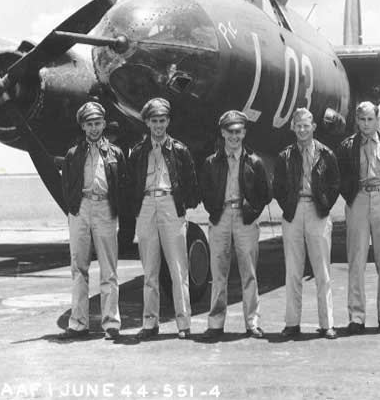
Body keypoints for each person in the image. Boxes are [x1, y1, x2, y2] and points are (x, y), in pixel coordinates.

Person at [128, 98, 200, 340]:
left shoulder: (180, 150)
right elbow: (131, 183)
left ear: (168, 121)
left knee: (178, 268)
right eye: (154, 121)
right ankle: (150, 323)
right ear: (147, 122)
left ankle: (184, 322)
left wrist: (181, 206)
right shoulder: (138, 152)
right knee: (150, 269)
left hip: (171, 203)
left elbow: (191, 182)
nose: (158, 125)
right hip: (147, 204)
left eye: (162, 120)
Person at [200, 110, 271, 339]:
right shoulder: (211, 163)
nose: (234, 136)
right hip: (221, 218)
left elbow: (264, 193)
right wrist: (215, 210)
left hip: (244, 218)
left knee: (248, 272)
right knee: (218, 272)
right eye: (230, 131)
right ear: (222, 133)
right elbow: (206, 190)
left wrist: (251, 212)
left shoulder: (255, 162)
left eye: (238, 131)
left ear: (244, 133)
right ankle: (216, 323)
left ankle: (252, 322)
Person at [60, 101, 127, 340]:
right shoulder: (73, 153)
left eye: (98, 123)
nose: (94, 128)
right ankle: (78, 323)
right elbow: (66, 184)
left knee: (109, 269)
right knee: (79, 267)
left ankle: (111, 324)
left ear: (104, 124)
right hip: (81, 208)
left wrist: (115, 209)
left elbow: (122, 183)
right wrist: (74, 208)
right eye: (89, 124)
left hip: (105, 208)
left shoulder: (115, 153)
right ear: (83, 126)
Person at [273, 108, 340, 339]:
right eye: (298, 125)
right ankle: (292, 323)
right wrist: (288, 206)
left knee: (322, 271)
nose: (302, 130)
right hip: (293, 211)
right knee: (293, 270)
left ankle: (327, 323)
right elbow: (278, 186)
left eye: (306, 125)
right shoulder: (284, 156)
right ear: (293, 128)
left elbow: (334, 184)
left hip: (316, 211)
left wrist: (324, 205)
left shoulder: (326, 154)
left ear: (314, 127)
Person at [337, 101, 380, 334]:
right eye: (362, 120)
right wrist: (352, 197)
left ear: (377, 120)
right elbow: (341, 175)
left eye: (370, 119)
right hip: (359, 199)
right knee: (356, 261)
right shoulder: (346, 146)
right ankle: (357, 316)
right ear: (357, 121)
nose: (366, 124)